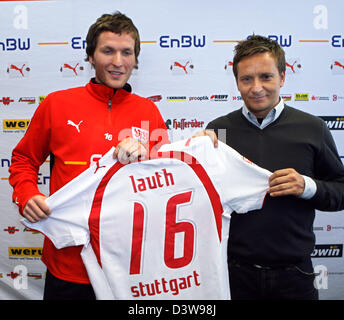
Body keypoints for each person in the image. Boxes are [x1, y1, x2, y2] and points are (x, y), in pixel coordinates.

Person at [8, 12, 169, 300]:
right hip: (68, 264)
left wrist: (149, 158)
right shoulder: (57, 104)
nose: (117, 61)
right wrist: (26, 193)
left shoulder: (149, 112)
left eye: (126, 52)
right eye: (108, 51)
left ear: (135, 60)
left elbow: (165, 182)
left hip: (129, 268)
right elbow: (23, 161)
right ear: (91, 57)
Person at [198, 35, 344, 300]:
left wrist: (307, 187)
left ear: (283, 77)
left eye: (266, 76)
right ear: (236, 82)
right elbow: (196, 197)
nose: (256, 88)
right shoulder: (218, 131)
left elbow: (341, 191)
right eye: (247, 79)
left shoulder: (313, 128)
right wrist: (194, 157)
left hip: (296, 277)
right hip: (234, 276)